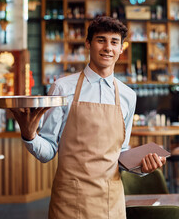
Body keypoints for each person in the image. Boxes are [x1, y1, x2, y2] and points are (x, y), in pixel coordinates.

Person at [11, 16, 166, 219]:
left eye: (114, 42)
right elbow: (48, 151)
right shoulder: (62, 88)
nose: (108, 48)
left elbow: (121, 153)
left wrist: (142, 167)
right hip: (69, 201)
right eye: (101, 40)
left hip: (111, 202)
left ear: (121, 49)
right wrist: (29, 135)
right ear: (88, 44)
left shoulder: (128, 96)